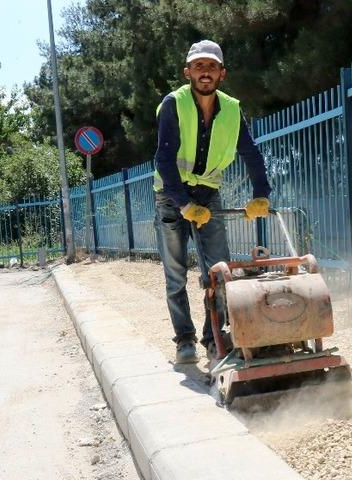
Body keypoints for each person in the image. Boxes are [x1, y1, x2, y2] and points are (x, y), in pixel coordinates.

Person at [153, 39, 271, 364]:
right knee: (175, 273)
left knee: (219, 271)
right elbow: (163, 160)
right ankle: (185, 340)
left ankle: (214, 339)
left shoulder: (232, 109)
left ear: (222, 74)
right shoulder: (173, 104)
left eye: (212, 66)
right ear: (188, 71)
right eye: (199, 66)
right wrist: (183, 204)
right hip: (170, 195)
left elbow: (251, 153)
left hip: (208, 193)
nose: (206, 72)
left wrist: (261, 194)